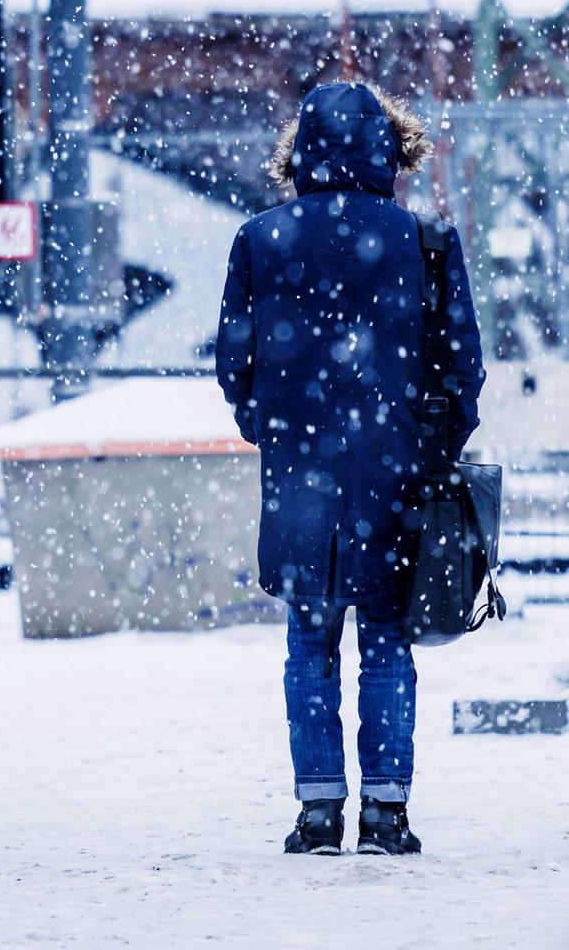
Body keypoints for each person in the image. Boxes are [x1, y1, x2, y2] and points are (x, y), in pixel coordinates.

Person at [216, 81, 484, 857]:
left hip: (299, 478)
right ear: (390, 151)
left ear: (298, 153)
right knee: (389, 641)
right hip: (397, 477)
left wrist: (275, 432)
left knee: (308, 642)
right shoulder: (426, 242)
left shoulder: (259, 239)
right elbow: (461, 370)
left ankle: (317, 812)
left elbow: (236, 364)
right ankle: (387, 815)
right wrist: (433, 449)